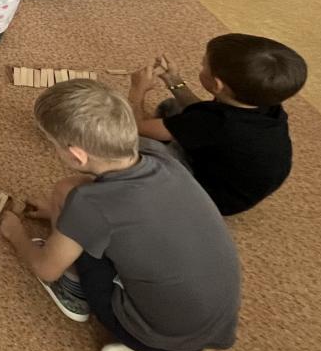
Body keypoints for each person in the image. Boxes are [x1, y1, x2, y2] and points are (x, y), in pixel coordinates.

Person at [0, 80, 241, 351]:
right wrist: (60, 215)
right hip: (215, 321)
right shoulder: (160, 155)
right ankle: (163, 334)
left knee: (72, 202)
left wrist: (17, 235)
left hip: (154, 335)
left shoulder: (89, 204)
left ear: (77, 155)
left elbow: (45, 269)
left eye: (54, 144)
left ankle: (73, 293)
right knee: (70, 193)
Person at [130, 33, 306, 215]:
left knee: (139, 143)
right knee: (172, 107)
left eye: (203, 65)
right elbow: (204, 114)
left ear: (217, 84)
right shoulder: (264, 104)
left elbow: (136, 126)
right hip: (233, 182)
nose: (201, 66)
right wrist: (173, 80)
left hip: (208, 198)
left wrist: (137, 90)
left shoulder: (217, 123)